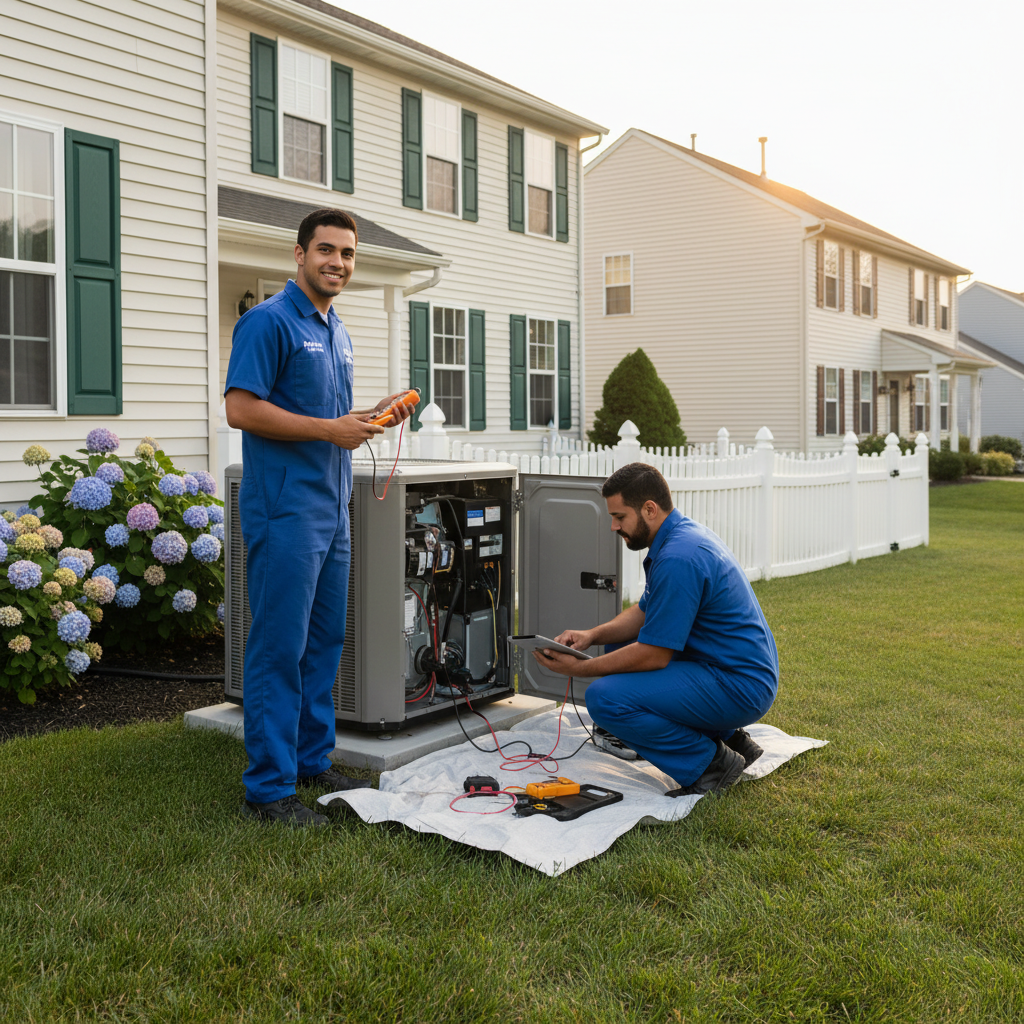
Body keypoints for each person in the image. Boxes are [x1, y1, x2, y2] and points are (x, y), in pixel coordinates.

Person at [224, 208, 412, 825]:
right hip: (286, 513)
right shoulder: (267, 322)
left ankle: (311, 759)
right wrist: (330, 429)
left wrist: (372, 414)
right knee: (280, 647)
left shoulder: (338, 331)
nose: (338, 262)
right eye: (326, 250)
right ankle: (270, 791)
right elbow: (242, 410)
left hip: (334, 512)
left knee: (325, 641)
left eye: (348, 254)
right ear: (299, 254)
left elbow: (327, 420)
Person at [533, 462, 779, 796]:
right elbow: (644, 611)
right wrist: (592, 635)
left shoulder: (679, 557)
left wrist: (582, 669)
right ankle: (730, 738)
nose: (612, 526)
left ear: (649, 509)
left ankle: (712, 764)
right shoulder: (681, 537)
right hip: (729, 670)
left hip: (739, 685)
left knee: (604, 700)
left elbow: (654, 655)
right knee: (614, 648)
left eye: (619, 517)